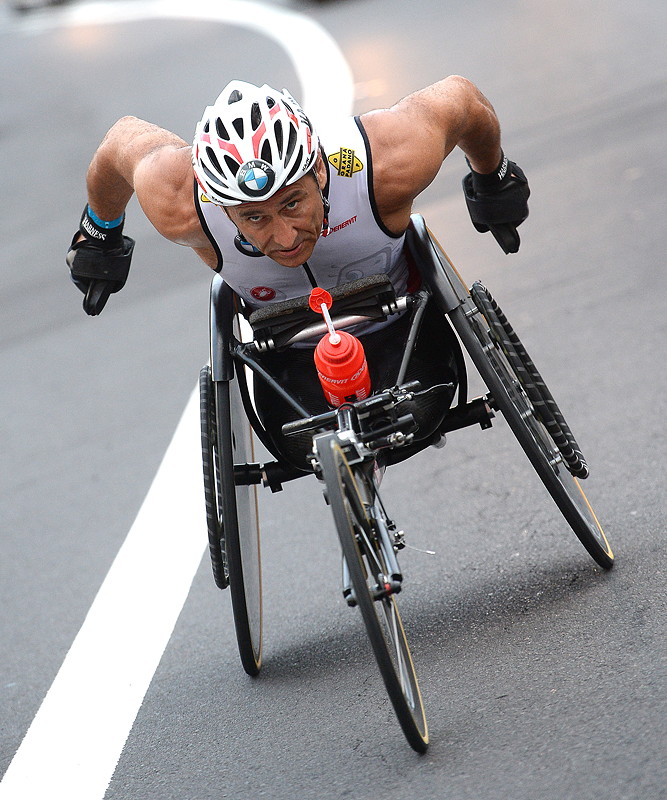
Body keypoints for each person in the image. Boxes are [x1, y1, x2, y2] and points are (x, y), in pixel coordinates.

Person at [67, 77, 529, 467]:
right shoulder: (182, 204)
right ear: (224, 211)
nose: (285, 237)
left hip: (413, 343)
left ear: (321, 174)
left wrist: (493, 176)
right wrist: (98, 234)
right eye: (254, 218)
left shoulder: (385, 162)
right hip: (289, 376)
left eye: (292, 203)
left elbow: (463, 100)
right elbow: (119, 146)